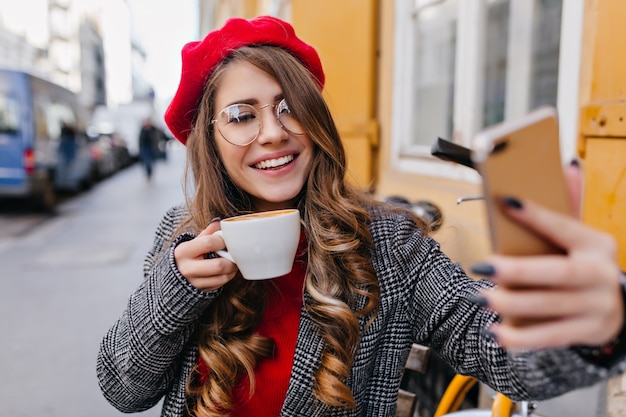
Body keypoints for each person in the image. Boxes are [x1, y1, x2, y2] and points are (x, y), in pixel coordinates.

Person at [97, 16, 626, 417]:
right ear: (210, 141)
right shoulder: (183, 238)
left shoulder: (387, 242)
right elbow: (123, 388)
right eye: (241, 115)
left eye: (289, 107)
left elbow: (489, 343)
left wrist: (589, 327)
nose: (273, 132)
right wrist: (176, 290)